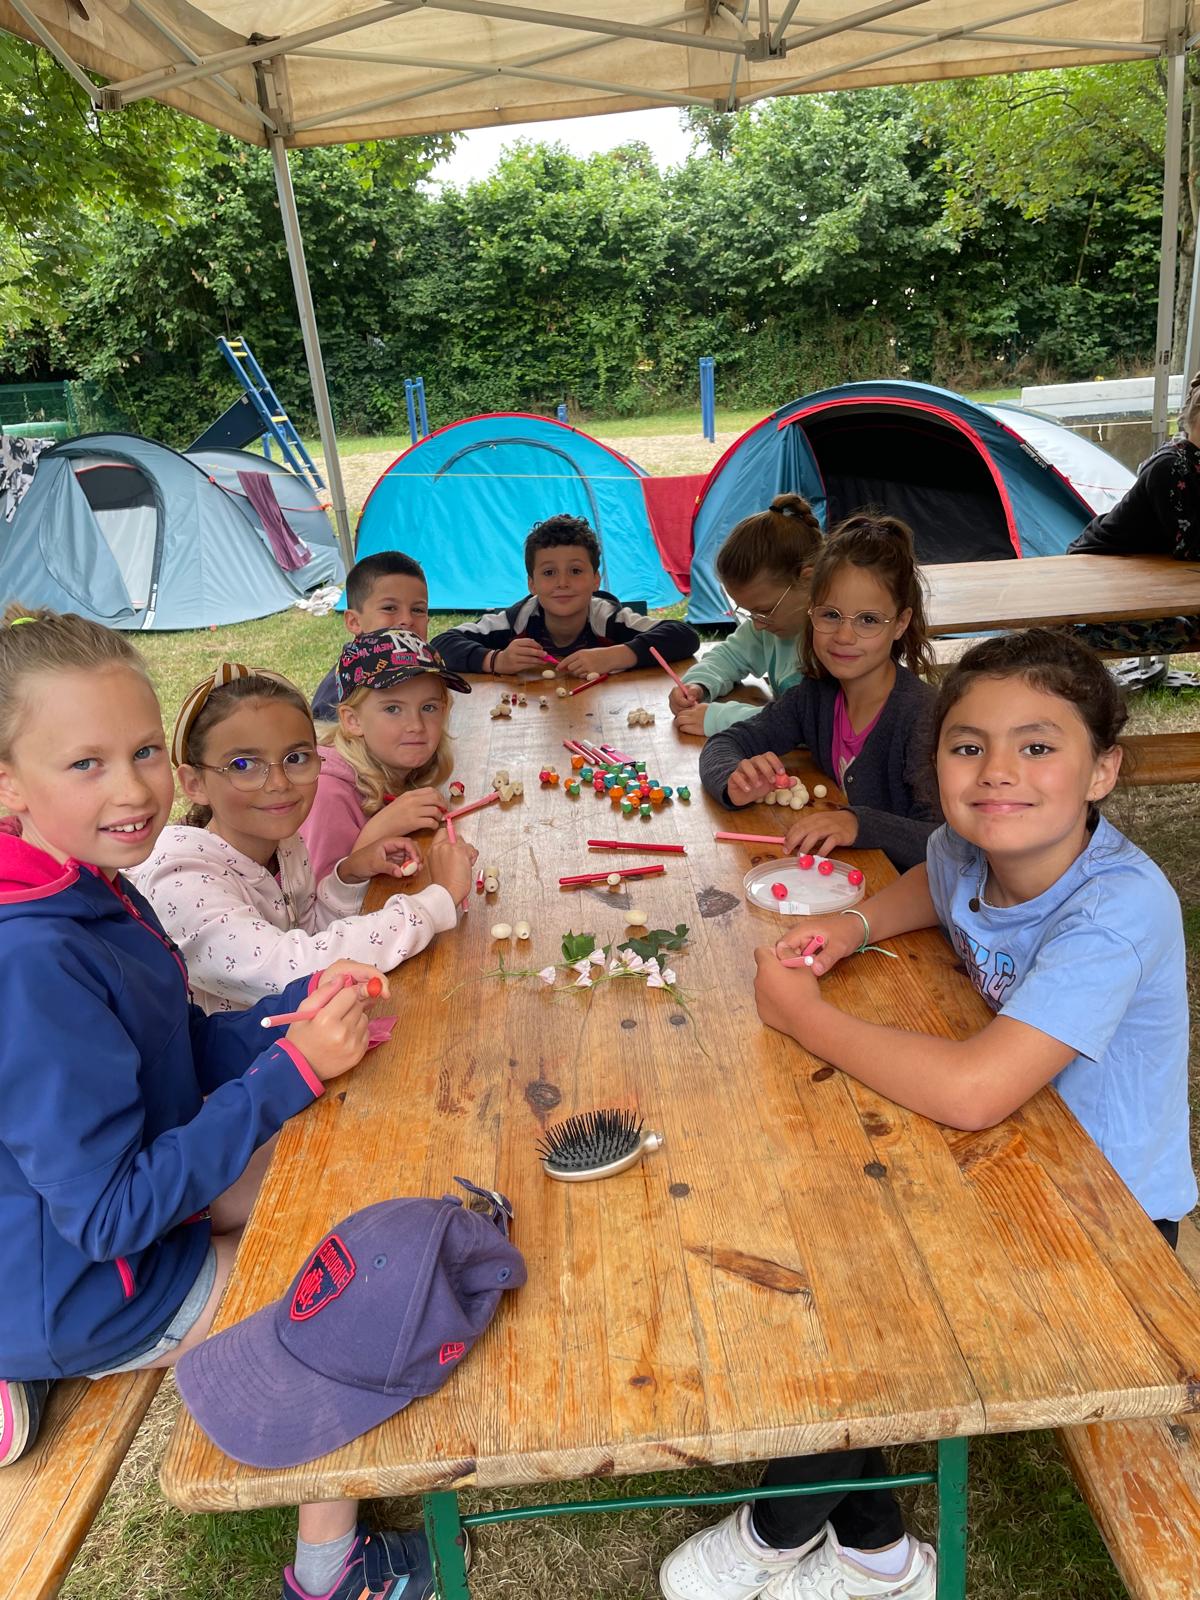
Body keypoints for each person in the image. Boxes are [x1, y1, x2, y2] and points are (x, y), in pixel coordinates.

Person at [661, 628, 1195, 1600]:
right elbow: (929, 881)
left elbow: (974, 1089)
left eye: (1038, 746)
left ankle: (780, 1530)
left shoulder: (1116, 911)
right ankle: (878, 1556)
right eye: (968, 746)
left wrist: (805, 1016)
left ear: (1103, 769)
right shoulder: (966, 846)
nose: (998, 772)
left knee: (875, 1308)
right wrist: (851, 923)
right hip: (1010, 1158)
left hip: (1105, 1219)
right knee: (822, 1229)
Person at [0, 606, 438, 1600]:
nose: (132, 788)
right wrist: (289, 1075)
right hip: (103, 1278)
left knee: (344, 1168)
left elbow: (179, 1050)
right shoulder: (32, 959)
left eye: (143, 751)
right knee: (344, 1290)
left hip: (89, 1221)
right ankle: (333, 1574)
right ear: (8, 785)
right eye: (87, 763)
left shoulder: (88, 882)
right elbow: (112, 1216)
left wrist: (292, 1012)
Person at [133, 661, 476, 1014]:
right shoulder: (181, 878)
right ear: (195, 784)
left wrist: (348, 876)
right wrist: (438, 899)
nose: (279, 783)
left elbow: (306, 930)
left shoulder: (285, 845)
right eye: (243, 765)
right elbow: (291, 969)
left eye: (295, 758)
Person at [698, 514, 941, 872]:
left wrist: (858, 824)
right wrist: (733, 779)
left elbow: (949, 842)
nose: (844, 636)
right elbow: (725, 743)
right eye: (830, 615)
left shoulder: (923, 718)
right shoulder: (814, 697)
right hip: (840, 880)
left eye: (868, 620)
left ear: (900, 623)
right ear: (810, 612)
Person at [431, 512, 700, 677]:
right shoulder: (516, 621)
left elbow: (684, 636)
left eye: (575, 571)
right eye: (549, 573)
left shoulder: (608, 619)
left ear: (595, 580)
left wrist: (612, 657)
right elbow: (441, 644)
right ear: (531, 584)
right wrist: (497, 660)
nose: (562, 583)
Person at [300, 629, 467, 887]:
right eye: (393, 708)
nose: (416, 725)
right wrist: (379, 830)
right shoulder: (327, 793)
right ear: (353, 720)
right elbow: (313, 900)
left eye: (428, 707)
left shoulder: (393, 762)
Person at [1066, 374, 1200, 689]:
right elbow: (1192, 546)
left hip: (1150, 566)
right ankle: (1070, 634)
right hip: (1103, 565)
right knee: (1186, 627)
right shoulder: (1172, 466)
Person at [670, 495, 822, 736]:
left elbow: (814, 724)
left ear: (808, 580)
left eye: (764, 610)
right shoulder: (775, 621)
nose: (758, 625)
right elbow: (731, 655)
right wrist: (698, 684)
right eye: (749, 612)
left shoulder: (838, 643)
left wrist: (721, 718)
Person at [312, 550, 430, 721]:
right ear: (354, 621)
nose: (407, 619)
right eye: (389, 608)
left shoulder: (427, 669)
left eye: (418, 610)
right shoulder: (338, 698)